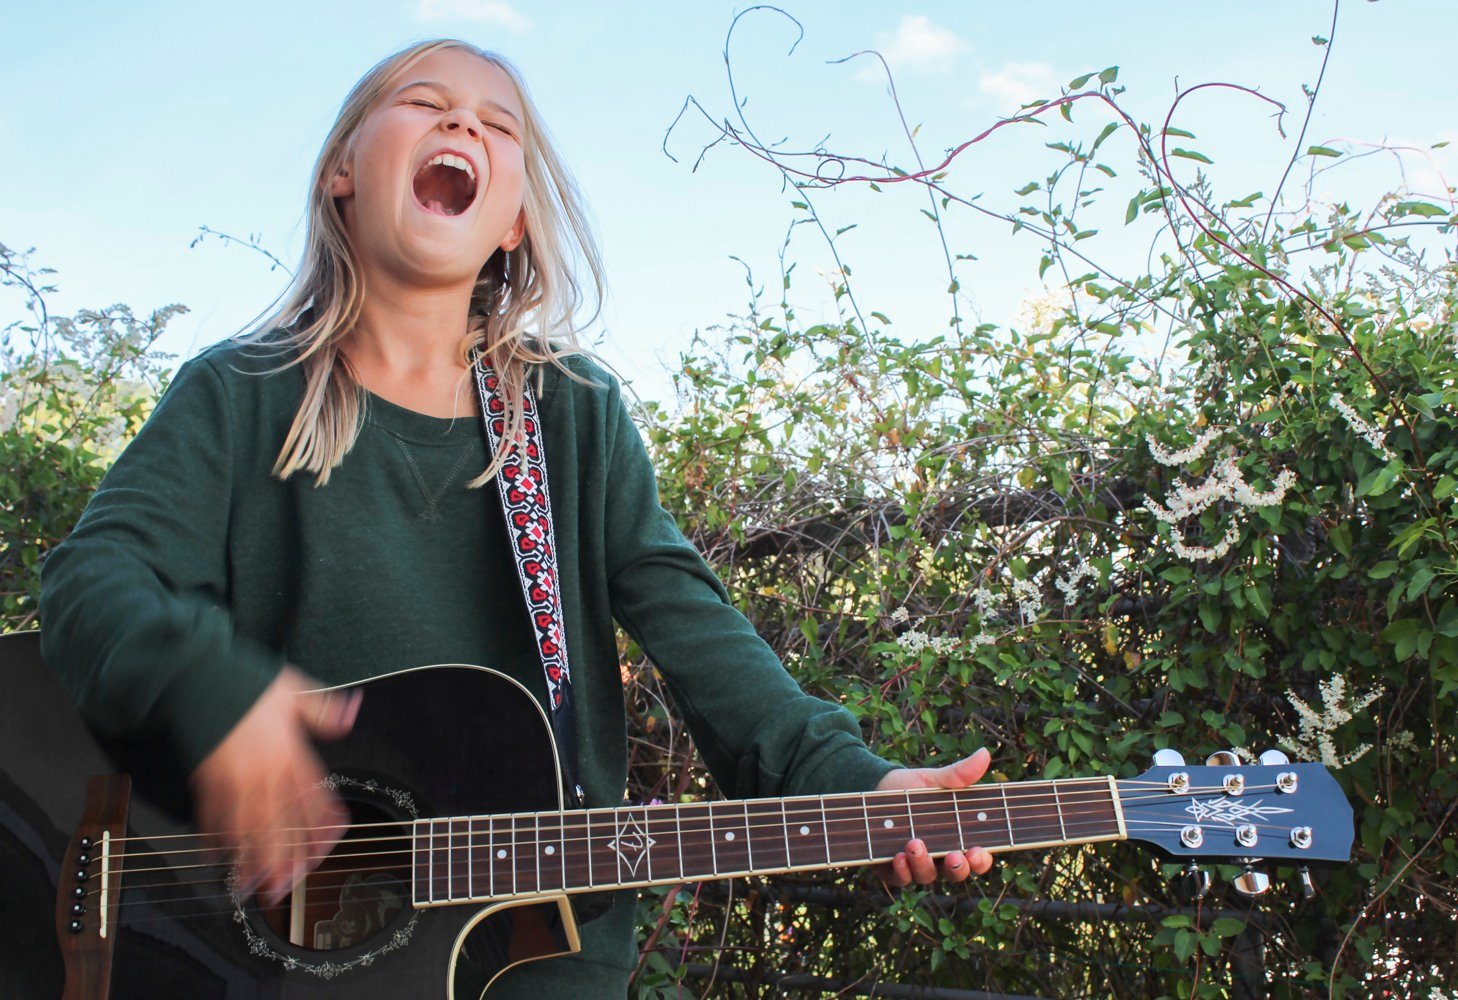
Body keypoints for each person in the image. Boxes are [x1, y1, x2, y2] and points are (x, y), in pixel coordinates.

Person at [38, 38, 993, 998]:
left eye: (500, 125)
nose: (463, 123)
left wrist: (855, 783)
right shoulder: (239, 396)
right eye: (425, 102)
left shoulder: (570, 414)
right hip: (249, 960)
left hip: (541, 956)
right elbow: (92, 584)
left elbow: (699, 632)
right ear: (341, 172)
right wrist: (212, 691)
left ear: (513, 221)